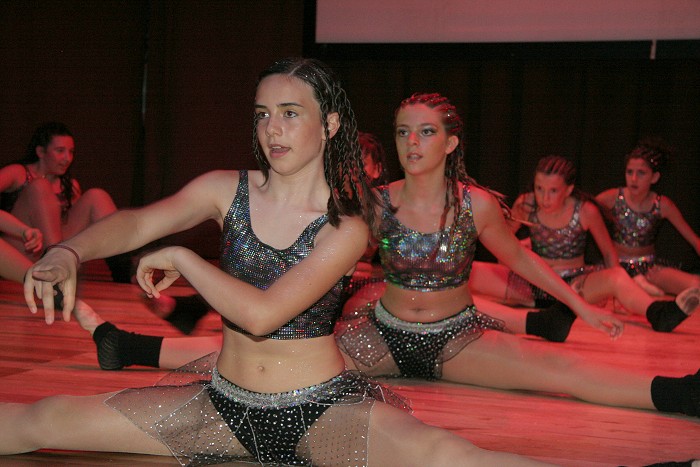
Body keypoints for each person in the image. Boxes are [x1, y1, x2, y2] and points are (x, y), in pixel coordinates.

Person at [14, 58, 551, 466]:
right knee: (44, 417)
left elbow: (262, 314)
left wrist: (182, 256)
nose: (273, 129)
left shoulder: (348, 223)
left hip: (322, 411)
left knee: (451, 456)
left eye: (291, 114)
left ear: (330, 124)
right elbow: (136, 223)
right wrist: (67, 250)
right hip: (220, 405)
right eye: (263, 115)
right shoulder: (225, 190)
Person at [334, 92, 700, 418]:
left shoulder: (476, 205)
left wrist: (581, 306)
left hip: (455, 341)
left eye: (426, 131)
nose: (412, 142)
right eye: (403, 132)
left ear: (450, 143)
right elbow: (338, 259)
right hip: (381, 336)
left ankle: (684, 393)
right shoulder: (377, 202)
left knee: (563, 369)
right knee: (299, 366)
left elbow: (523, 260)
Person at [468, 155, 699, 333]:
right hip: (531, 283)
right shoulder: (525, 205)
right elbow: (500, 242)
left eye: (553, 191)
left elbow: (609, 255)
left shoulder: (585, 211)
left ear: (568, 189)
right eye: (539, 189)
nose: (545, 198)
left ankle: (658, 313)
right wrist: (513, 259)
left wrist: (620, 292)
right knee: (469, 269)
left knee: (617, 277)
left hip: (573, 287)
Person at [0, 122, 132, 282]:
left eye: (71, 152)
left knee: (97, 196)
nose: (67, 158)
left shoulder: (70, 186)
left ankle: (123, 270)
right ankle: (55, 263)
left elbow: (77, 231)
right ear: (40, 152)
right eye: (60, 151)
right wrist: (21, 229)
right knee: (40, 186)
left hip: (55, 252)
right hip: (20, 251)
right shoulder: (18, 172)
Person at [596, 138, 700, 297]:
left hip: (648, 268)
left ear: (654, 177)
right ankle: (637, 287)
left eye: (641, 173)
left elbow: (694, 240)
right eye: (629, 172)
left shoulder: (662, 204)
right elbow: (583, 210)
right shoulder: (613, 197)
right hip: (616, 267)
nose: (634, 179)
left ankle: (641, 285)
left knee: (694, 284)